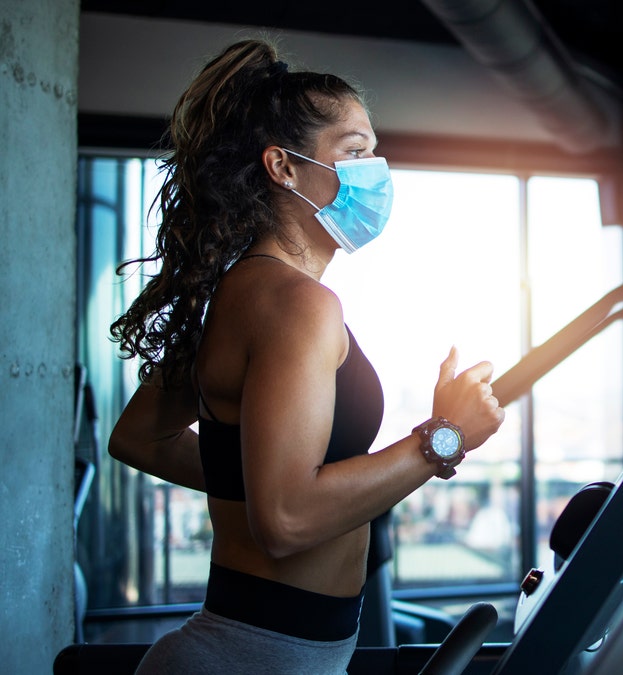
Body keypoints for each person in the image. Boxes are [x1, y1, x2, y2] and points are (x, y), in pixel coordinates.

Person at [107, 37, 505, 674]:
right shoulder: (298, 306)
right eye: (355, 152)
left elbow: (139, 439)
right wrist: (444, 438)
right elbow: (287, 520)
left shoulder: (237, 290)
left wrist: (259, 475)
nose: (375, 171)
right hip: (253, 655)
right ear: (283, 167)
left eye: (375, 152)